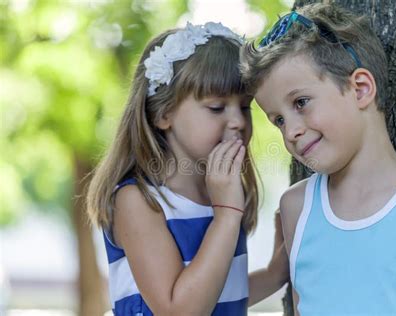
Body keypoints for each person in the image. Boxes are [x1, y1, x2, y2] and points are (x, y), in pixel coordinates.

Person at [240, 3, 396, 315]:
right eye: (278, 120)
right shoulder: (297, 208)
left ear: (361, 89)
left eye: (301, 102)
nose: (291, 131)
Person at [86, 22, 288, 315]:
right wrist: (227, 217)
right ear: (164, 114)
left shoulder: (219, 195)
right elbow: (180, 310)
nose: (238, 122)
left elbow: (216, 292)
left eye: (245, 107)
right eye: (217, 107)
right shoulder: (139, 201)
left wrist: (273, 275)